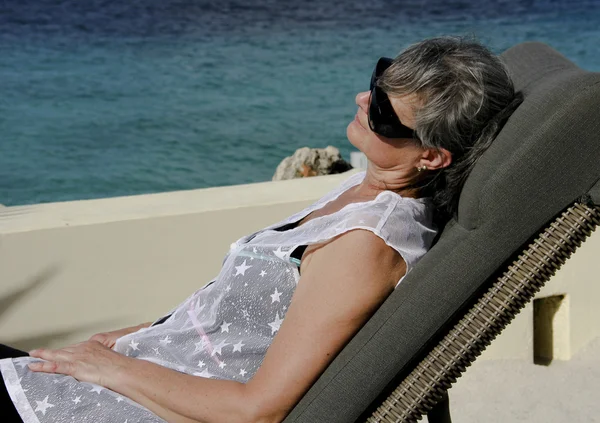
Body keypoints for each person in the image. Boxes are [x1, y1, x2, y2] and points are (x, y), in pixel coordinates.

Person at [0, 36, 522, 423]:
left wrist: (108, 369)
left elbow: (259, 410)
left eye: (385, 111)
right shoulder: (362, 195)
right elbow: (242, 325)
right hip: (146, 369)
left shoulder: (363, 245)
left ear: (432, 155)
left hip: (132, 404)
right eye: (376, 85)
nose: (365, 102)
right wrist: (142, 335)